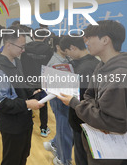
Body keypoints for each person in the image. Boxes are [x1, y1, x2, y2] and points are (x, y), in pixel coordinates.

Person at [58, 20, 127, 165]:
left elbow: (113, 121)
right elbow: (89, 95)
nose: (86, 42)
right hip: (98, 142)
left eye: (89, 38)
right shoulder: (101, 66)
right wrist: (96, 111)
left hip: (113, 152)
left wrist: (75, 103)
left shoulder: (120, 73)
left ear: (105, 40)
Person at [0, 26, 44, 165]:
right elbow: (0, 103)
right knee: (12, 159)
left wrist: (32, 92)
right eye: (21, 47)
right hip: (11, 125)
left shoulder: (16, 61)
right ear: (8, 45)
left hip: (25, 120)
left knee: (23, 155)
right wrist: (26, 104)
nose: (23, 50)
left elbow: (21, 83)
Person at [59, 35, 99, 165]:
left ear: (72, 47)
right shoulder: (95, 63)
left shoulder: (83, 69)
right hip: (91, 120)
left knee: (82, 158)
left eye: (67, 52)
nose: (68, 56)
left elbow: (81, 98)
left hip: (82, 122)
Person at [43, 36, 73, 165]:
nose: (69, 48)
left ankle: (53, 144)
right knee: (64, 128)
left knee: (65, 127)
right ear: (58, 47)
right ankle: (62, 159)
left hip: (63, 97)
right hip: (59, 99)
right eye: (66, 46)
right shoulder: (55, 63)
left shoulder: (65, 59)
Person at [20, 28, 53, 137]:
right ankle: (43, 128)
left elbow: (21, 64)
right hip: (43, 80)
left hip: (28, 79)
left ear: (33, 35)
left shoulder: (25, 48)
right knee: (43, 103)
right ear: (44, 37)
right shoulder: (49, 50)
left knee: (28, 101)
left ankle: (26, 125)